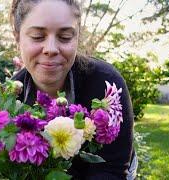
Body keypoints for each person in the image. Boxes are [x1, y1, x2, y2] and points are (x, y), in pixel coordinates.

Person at [10, 0, 137, 179]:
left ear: (77, 37)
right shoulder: (9, 99)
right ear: (17, 37)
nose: (51, 49)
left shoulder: (107, 86)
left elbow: (112, 170)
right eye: (38, 36)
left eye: (65, 37)